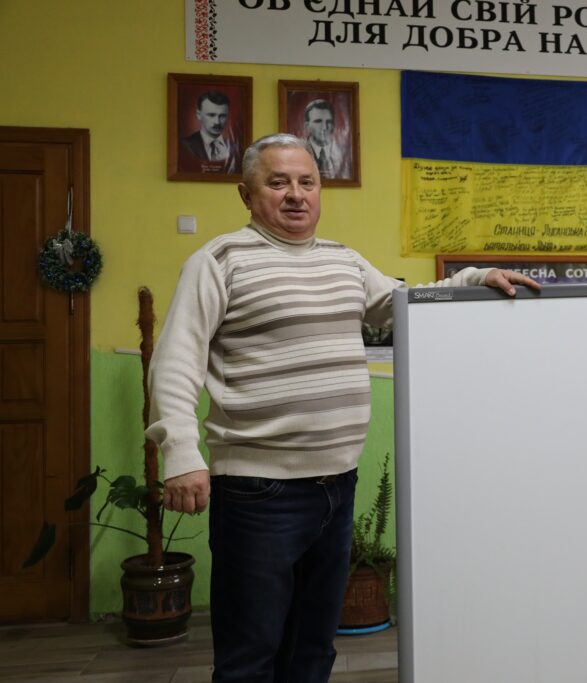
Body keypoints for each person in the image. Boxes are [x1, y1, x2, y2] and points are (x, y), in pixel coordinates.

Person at [146, 133, 540, 682]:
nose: (295, 194)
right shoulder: (218, 261)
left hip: (336, 485)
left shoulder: (345, 261)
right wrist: (182, 454)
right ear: (246, 193)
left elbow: (406, 303)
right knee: (250, 654)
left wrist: (474, 280)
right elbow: (175, 360)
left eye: (307, 182)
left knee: (312, 648)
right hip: (258, 492)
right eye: (278, 182)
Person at [179, 90, 240, 174]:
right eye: (211, 115)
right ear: (198, 115)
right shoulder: (184, 146)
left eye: (222, 116)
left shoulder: (236, 148)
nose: (217, 122)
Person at [302, 99, 352, 180]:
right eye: (318, 121)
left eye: (329, 121)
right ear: (307, 126)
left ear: (333, 125)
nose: (324, 127)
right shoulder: (298, 152)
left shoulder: (346, 154)